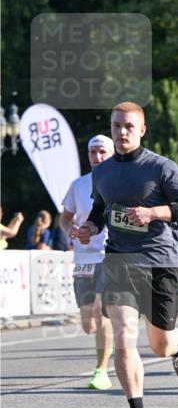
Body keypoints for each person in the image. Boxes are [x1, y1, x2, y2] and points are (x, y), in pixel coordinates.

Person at [71, 101, 178, 408]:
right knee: (124, 333)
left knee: (160, 344)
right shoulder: (102, 172)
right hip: (119, 260)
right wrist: (90, 228)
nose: (122, 132)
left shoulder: (160, 167)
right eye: (116, 126)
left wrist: (153, 213)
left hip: (160, 263)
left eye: (129, 126)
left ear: (142, 130)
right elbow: (100, 211)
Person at [60, 135, 115, 389]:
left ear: (112, 153)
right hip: (83, 258)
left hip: (110, 255)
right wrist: (68, 228)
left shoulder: (121, 183)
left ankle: (101, 371)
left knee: (102, 312)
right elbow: (65, 217)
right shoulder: (78, 185)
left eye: (102, 152)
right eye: (93, 152)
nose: (97, 157)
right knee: (87, 323)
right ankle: (105, 345)